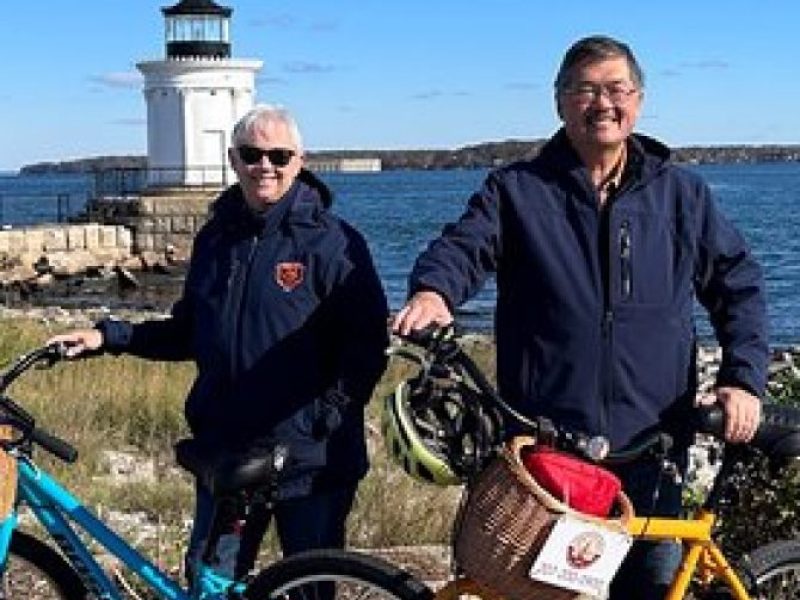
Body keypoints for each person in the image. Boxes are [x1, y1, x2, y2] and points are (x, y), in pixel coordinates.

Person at [393, 35, 768, 599]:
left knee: (648, 587)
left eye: (616, 89)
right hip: (549, 453)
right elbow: (464, 246)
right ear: (560, 102)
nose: (603, 103)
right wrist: (433, 292)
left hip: (652, 446)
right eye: (585, 90)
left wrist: (742, 380)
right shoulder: (517, 191)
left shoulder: (681, 196)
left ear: (638, 101)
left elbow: (738, 287)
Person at [51, 104, 389, 582]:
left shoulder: (333, 243)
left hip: (310, 461)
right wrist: (109, 335)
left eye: (279, 154)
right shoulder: (215, 238)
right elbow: (189, 331)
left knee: (310, 586)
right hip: (228, 453)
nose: (264, 165)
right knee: (210, 582)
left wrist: (327, 417)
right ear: (233, 159)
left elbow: (367, 344)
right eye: (252, 153)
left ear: (300, 160)